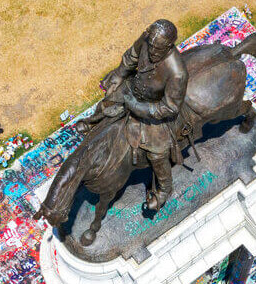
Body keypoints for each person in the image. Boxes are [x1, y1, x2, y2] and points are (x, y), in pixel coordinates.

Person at [75, 19, 187, 212]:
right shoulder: (147, 39)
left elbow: (169, 108)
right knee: (108, 101)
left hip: (154, 112)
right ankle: (93, 122)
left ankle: (163, 190)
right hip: (133, 89)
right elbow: (132, 56)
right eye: (150, 46)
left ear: (169, 47)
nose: (151, 52)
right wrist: (119, 74)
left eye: (156, 50)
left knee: (157, 154)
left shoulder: (177, 73)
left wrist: (137, 107)